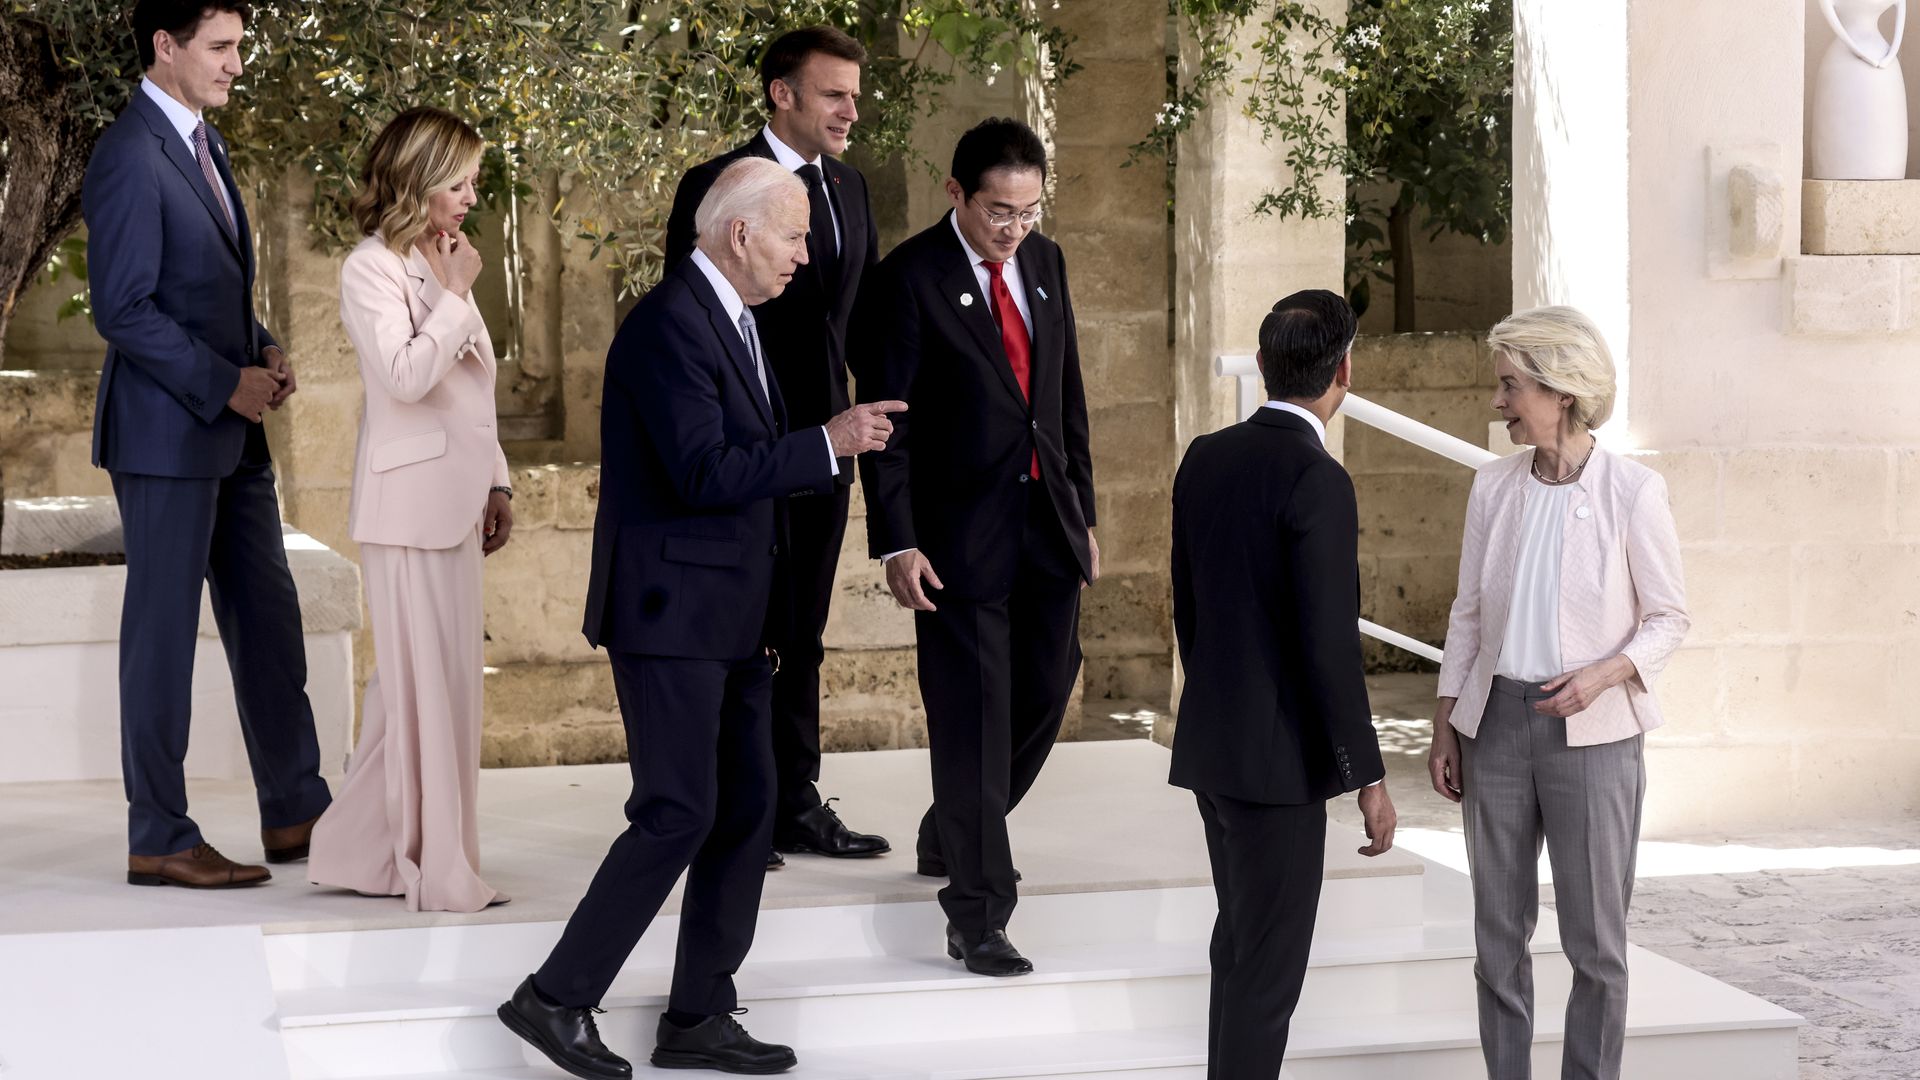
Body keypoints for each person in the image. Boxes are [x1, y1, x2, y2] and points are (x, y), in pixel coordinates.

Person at [495, 157, 903, 1079]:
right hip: (670, 615)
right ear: (740, 233)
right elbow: (702, 473)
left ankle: (699, 1015)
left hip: (735, 619)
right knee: (677, 812)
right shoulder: (666, 326)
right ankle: (554, 998)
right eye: (794, 235)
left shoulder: (739, 322)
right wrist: (827, 442)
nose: (806, 254)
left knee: (748, 811)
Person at [84, 0, 331, 889]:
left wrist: (261, 346)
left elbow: (206, 290)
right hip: (164, 437)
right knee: (162, 639)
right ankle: (158, 834)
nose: (235, 63)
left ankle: (298, 811)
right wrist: (226, 381)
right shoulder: (128, 154)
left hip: (233, 435)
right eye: (220, 47)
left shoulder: (203, 143)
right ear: (166, 45)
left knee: (269, 620)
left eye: (239, 47)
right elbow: (123, 308)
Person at [852, 117, 1097, 977]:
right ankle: (979, 913)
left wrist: (1084, 512)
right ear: (957, 192)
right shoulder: (907, 280)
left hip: (1048, 522)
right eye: (1000, 210)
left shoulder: (1046, 262)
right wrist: (898, 541)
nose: (1014, 228)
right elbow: (887, 423)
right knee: (973, 718)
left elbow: (1065, 396)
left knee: (1047, 687)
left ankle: (951, 828)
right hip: (956, 536)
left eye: (1029, 211)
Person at [1427, 305, 1690, 1080]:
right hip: (1495, 728)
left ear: (1561, 391)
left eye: (1511, 386)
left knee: (1597, 945)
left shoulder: (1633, 491)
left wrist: (1605, 673)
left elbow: (1670, 617)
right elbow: (1468, 613)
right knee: (1497, 939)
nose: (1498, 402)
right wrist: (1446, 725)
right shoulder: (1493, 487)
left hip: (1597, 736)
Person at [664, 25, 888, 868]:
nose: (851, 111)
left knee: (803, 632)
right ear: (782, 93)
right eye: (834, 94)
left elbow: (856, 327)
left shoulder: (851, 188)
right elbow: (693, 326)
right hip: (745, 456)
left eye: (855, 96)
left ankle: (794, 801)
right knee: (742, 633)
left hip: (828, 452)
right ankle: (732, 812)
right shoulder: (716, 185)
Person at [1169, 289, 1398, 1078]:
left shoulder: (1205, 456)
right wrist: (1367, 775)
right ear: (1344, 372)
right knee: (1266, 975)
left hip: (1214, 749)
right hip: (1279, 770)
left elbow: (1187, 607)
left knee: (1238, 948)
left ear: (1263, 364)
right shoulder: (1318, 478)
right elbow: (1330, 646)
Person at [304, 107, 514, 913]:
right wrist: (455, 298)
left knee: (433, 694)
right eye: (460, 183)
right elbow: (403, 376)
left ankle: (364, 852)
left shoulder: (441, 259)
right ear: (419, 181)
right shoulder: (371, 267)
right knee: (418, 693)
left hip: (457, 501)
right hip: (406, 507)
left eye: (473, 183)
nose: (471, 198)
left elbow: (473, 390)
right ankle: (425, 862)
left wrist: (497, 481)